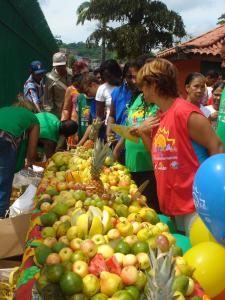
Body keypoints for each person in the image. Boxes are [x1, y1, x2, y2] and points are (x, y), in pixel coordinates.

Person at [135, 58, 223, 234]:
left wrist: (214, 199)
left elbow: (217, 147)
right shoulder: (160, 116)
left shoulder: (184, 112)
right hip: (174, 206)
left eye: (143, 85)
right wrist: (144, 134)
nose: (141, 90)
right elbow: (160, 156)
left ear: (154, 84)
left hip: (196, 207)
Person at [0, 102, 40, 217]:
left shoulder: (6, 109)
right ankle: (1, 218)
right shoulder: (33, 119)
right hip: (4, 137)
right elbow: (31, 153)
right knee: (4, 181)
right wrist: (29, 168)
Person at [44, 52, 72, 118]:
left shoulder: (72, 73)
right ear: (54, 66)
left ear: (66, 64)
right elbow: (48, 101)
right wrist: (50, 117)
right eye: (58, 66)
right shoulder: (49, 78)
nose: (61, 68)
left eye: (62, 65)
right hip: (59, 114)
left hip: (73, 111)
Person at [95, 59, 122, 124]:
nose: (109, 79)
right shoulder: (102, 89)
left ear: (117, 72)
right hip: (109, 128)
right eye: (105, 77)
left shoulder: (127, 86)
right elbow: (99, 116)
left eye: (110, 76)